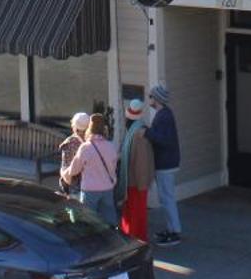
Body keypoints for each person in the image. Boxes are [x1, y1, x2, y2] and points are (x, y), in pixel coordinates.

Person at [65, 113, 119, 225]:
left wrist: (65, 173)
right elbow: (114, 167)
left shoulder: (85, 147)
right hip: (107, 189)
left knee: (88, 222)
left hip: (90, 191)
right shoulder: (110, 146)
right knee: (109, 222)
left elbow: (74, 170)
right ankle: (111, 241)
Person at [147, 83, 183, 245]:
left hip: (165, 164)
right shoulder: (165, 114)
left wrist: (147, 132)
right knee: (166, 197)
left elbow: (163, 140)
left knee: (167, 198)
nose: (150, 99)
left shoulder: (163, 116)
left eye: (151, 96)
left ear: (157, 99)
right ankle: (171, 228)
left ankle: (175, 231)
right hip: (167, 162)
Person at [116, 96, 154, 242]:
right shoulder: (137, 130)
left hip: (136, 181)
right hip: (133, 181)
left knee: (135, 213)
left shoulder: (138, 133)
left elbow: (142, 162)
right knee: (133, 212)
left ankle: (137, 239)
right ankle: (131, 237)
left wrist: (142, 184)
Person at [57, 114, 88, 197]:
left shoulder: (69, 143)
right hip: (94, 186)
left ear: (75, 127)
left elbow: (66, 170)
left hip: (75, 189)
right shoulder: (95, 141)